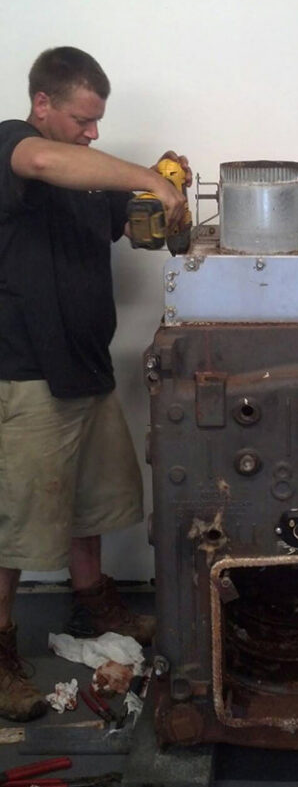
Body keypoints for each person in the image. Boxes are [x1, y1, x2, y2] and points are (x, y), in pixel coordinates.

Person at [0, 46, 190, 722]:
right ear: (43, 104)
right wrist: (146, 175)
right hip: (26, 372)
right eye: (83, 120)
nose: (92, 134)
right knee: (15, 524)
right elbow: (47, 161)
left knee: (90, 503)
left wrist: (164, 196)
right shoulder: (16, 147)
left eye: (98, 121)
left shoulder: (88, 175)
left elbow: (129, 232)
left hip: (87, 365)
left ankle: (90, 606)